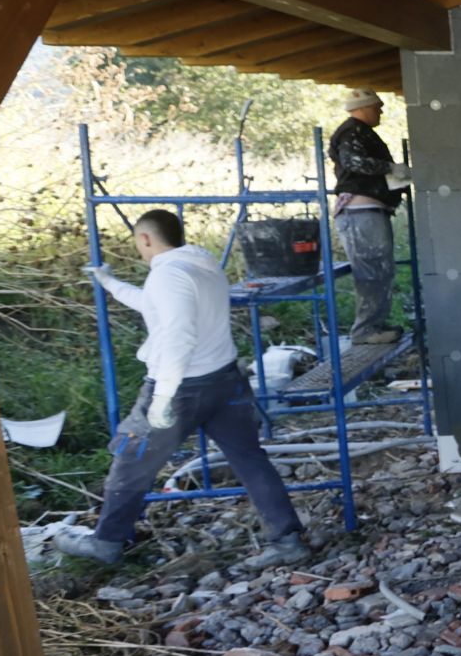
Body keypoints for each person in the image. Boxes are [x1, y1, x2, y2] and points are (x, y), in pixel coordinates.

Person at [61, 209, 311, 569]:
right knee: (249, 459)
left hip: (182, 388)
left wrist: (162, 397)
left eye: (138, 244)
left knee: (132, 461)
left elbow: (178, 336)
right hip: (225, 380)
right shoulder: (201, 265)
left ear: (145, 239)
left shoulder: (169, 276)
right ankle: (288, 541)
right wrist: (110, 283)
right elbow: (158, 308)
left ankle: (107, 542)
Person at [328, 89, 408, 346]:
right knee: (372, 270)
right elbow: (354, 163)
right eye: (377, 107)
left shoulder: (360, 132)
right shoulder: (352, 133)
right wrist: (390, 168)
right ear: (363, 107)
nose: (380, 112)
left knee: (379, 270)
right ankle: (366, 331)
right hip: (360, 212)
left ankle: (374, 326)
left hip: (368, 210)